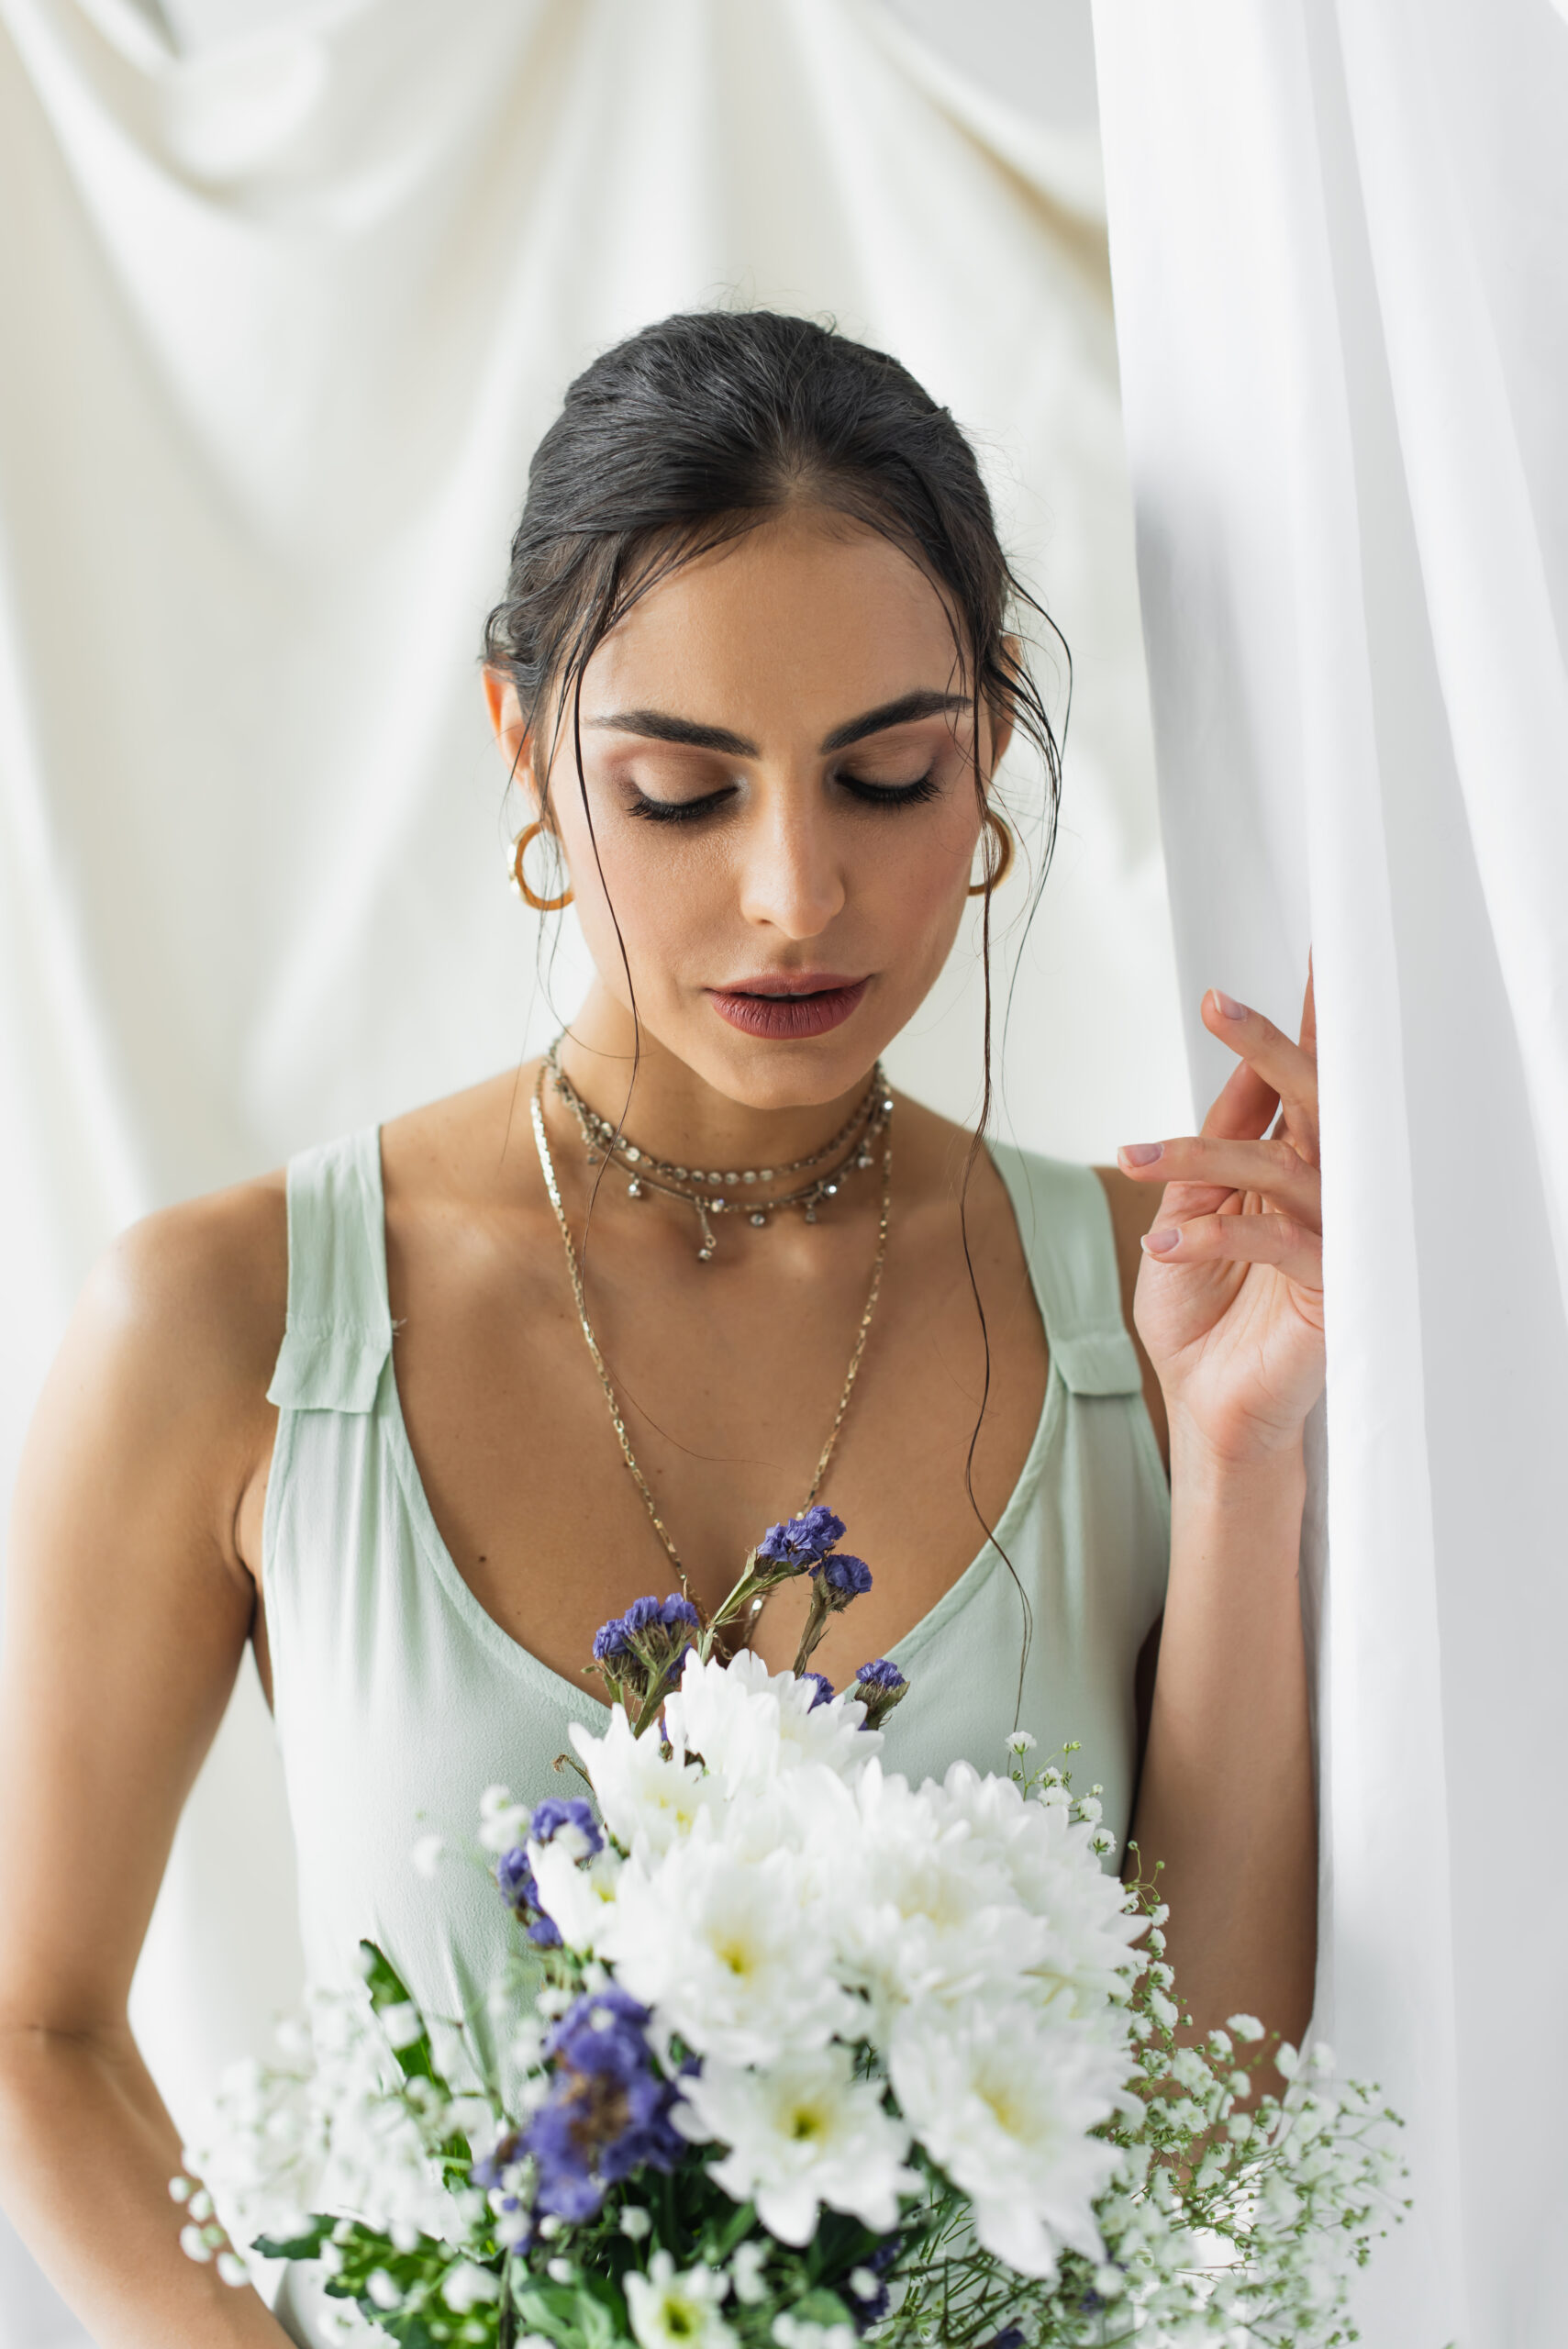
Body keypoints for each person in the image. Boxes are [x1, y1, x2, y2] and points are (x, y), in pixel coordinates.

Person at [0, 312, 1322, 2347]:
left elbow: (1204, 2141)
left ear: (991, 740)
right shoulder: (228, 1321)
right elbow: (33, 2023)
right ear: (525, 748)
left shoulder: (1157, 1307)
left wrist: (1241, 1458)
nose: (799, 892)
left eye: (888, 773)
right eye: (681, 794)